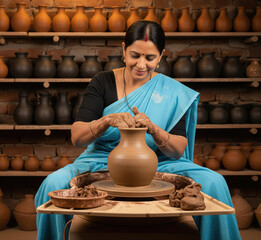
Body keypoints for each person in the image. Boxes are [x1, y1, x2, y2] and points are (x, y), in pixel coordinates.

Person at [34, 21, 241, 240]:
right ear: (123, 49)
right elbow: (77, 136)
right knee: (53, 183)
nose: (141, 64)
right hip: (102, 158)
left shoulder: (172, 92)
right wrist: (107, 120)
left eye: (150, 58)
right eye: (135, 55)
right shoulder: (103, 82)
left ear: (161, 56)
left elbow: (178, 149)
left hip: (160, 160)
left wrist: (154, 129)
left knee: (215, 182)